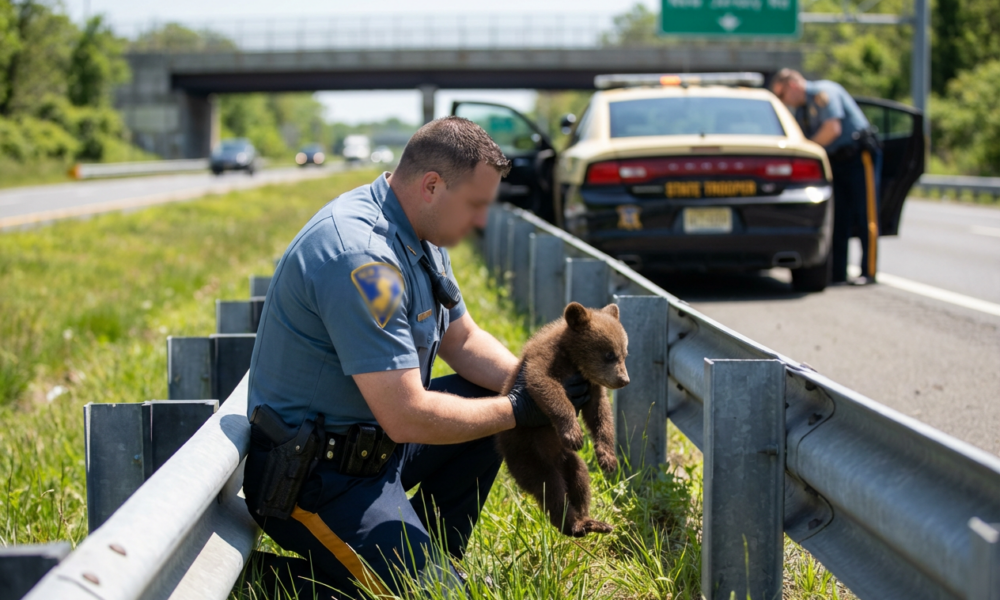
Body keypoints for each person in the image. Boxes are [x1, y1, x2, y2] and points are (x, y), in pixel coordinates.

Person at [242, 116, 591, 599]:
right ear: (432, 186)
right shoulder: (363, 259)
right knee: (431, 596)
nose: (480, 220)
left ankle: (435, 563)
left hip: (376, 453)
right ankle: (261, 582)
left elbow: (464, 341)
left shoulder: (419, 233)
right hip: (315, 480)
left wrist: (536, 387)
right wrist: (516, 409)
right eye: (475, 204)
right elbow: (406, 414)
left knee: (491, 391)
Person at [770, 68, 883, 285]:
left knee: (865, 214)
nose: (783, 101)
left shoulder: (823, 92)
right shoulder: (801, 110)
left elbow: (833, 129)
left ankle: (869, 272)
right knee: (838, 218)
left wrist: (806, 150)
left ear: (793, 85)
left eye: (782, 95)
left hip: (859, 158)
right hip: (835, 162)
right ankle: (838, 273)